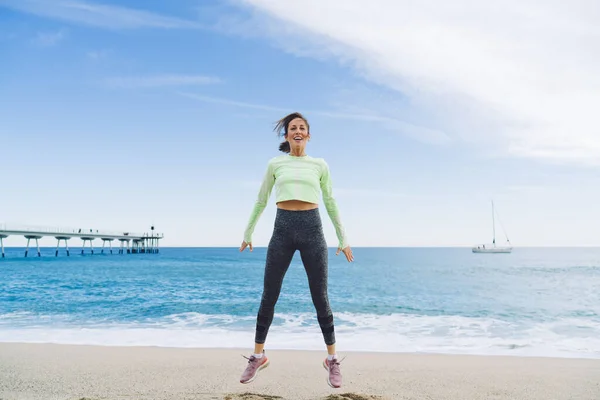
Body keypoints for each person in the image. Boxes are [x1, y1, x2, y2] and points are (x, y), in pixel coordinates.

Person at [238, 112, 354, 389]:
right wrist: (248, 231)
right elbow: (261, 199)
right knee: (270, 294)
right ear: (287, 135)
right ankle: (257, 356)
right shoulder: (276, 163)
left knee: (320, 297)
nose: (297, 131)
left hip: (313, 230)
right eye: (293, 128)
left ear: (308, 135)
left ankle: (332, 359)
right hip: (282, 231)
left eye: (302, 128)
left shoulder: (319, 165)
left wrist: (343, 237)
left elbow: (330, 201)